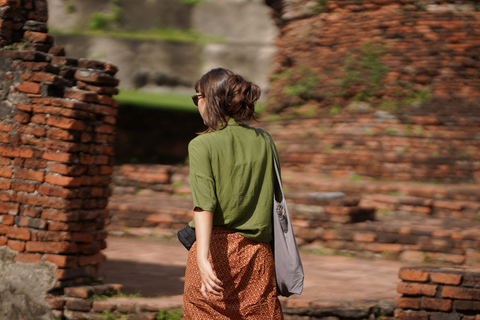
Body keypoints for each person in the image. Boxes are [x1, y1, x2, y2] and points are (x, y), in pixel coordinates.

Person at [182, 68, 284, 319]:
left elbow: (204, 205)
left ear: (210, 99)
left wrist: (203, 260)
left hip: (214, 251)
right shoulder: (264, 140)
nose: (197, 105)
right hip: (257, 256)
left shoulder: (201, 144)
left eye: (197, 98)